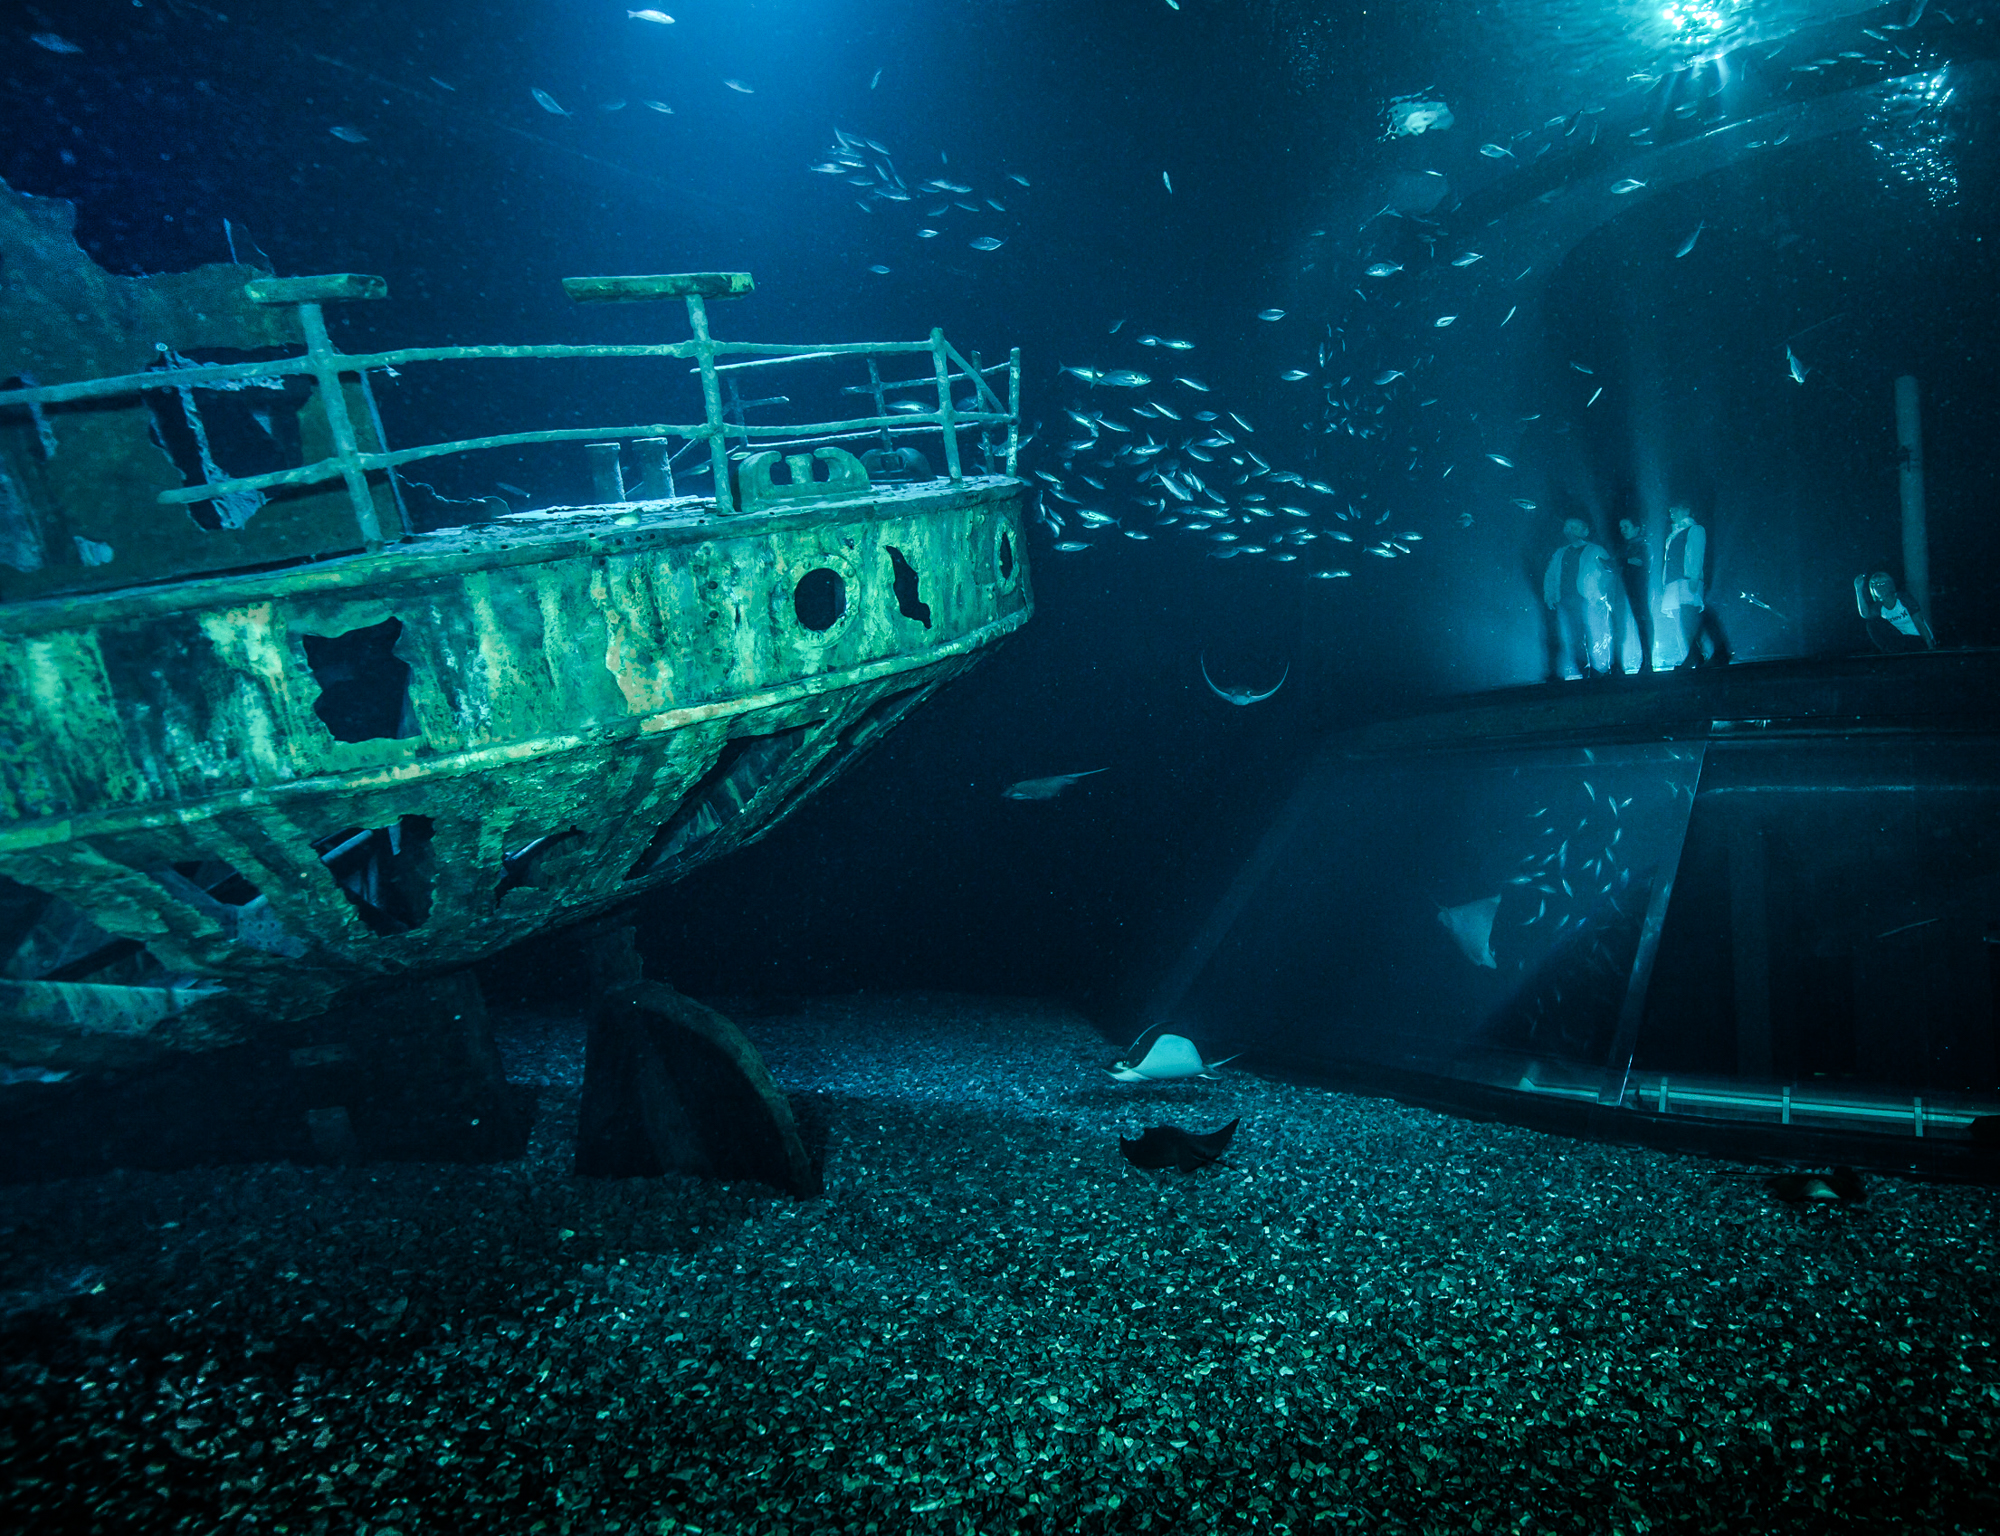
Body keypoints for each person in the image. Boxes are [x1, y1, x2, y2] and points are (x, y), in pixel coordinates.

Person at [1542, 517, 1614, 679]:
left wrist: (1601, 595)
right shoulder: (1560, 552)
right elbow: (1551, 575)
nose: (1569, 530)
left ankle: (1601, 668)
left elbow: (1609, 573)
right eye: (1567, 527)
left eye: (1574, 527)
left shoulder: (1596, 550)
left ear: (1585, 530)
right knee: (1575, 635)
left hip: (1591, 599)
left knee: (1596, 632)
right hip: (1568, 599)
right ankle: (1584, 669)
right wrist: (1550, 594)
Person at [1660, 503, 1728, 669]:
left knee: (1691, 616)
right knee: (1685, 618)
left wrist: (1694, 578)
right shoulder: (1674, 533)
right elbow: (1668, 559)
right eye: (1671, 510)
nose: (1672, 512)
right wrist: (1664, 581)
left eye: (1675, 509)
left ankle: (1702, 654)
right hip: (1674, 581)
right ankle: (1697, 655)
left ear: (1687, 510)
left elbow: (1696, 555)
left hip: (1687, 579)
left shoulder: (1695, 529)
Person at [1854, 571, 1935, 652]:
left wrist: (1930, 646)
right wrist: (1858, 589)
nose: (1879, 587)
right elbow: (1865, 614)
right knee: (1872, 624)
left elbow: (1919, 623)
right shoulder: (1879, 607)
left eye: (1882, 584)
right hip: (1900, 642)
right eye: (1875, 584)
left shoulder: (1903, 598)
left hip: (1918, 639)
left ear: (1890, 585)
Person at [1615, 517, 1653, 674]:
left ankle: (1647, 661)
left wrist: (1622, 561)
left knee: (1643, 623)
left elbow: (1640, 563)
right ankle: (1643, 661)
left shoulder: (1642, 545)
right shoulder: (1627, 547)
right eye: (1621, 527)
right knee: (1636, 624)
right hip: (1629, 591)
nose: (1623, 530)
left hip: (1638, 591)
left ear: (1637, 528)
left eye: (1626, 526)